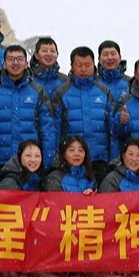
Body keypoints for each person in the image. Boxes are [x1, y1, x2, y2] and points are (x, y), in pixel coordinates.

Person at [0, 44, 56, 176]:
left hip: (32, 162)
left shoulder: (37, 91)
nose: (15, 63)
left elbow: (47, 129)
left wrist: (47, 163)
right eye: (11, 59)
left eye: (20, 59)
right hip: (3, 161)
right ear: (4, 64)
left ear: (26, 64)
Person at [49, 46, 117, 183]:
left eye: (87, 65)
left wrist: (114, 160)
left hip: (100, 160)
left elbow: (113, 130)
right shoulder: (62, 93)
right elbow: (54, 129)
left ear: (94, 64)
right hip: (70, 161)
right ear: (72, 66)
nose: (83, 69)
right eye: (79, 65)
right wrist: (56, 159)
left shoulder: (104, 92)